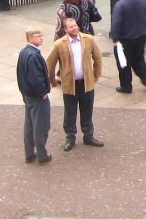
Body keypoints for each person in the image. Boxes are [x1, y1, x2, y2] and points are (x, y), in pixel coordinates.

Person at [46, 17, 104, 151]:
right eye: (71, 27)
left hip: (86, 83)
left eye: (75, 26)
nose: (74, 28)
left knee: (87, 110)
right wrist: (53, 81)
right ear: (66, 29)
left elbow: (98, 58)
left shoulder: (88, 39)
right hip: (69, 84)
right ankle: (70, 137)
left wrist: (95, 76)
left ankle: (88, 135)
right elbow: (50, 64)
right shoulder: (59, 44)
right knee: (70, 112)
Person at [16, 26, 52, 164]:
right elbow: (36, 78)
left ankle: (29, 154)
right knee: (41, 126)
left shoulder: (24, 52)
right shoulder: (34, 55)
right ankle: (42, 156)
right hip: (37, 97)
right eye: (38, 36)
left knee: (29, 125)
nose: (41, 38)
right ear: (30, 38)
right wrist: (43, 92)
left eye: (41, 35)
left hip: (28, 95)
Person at [109, 0, 146, 93]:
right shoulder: (141, 1)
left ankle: (126, 86)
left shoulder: (120, 5)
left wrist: (115, 38)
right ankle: (144, 76)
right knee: (138, 57)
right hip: (141, 35)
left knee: (123, 62)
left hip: (125, 39)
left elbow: (116, 23)